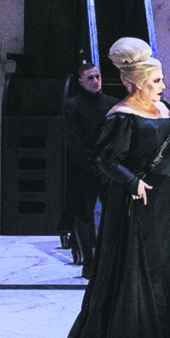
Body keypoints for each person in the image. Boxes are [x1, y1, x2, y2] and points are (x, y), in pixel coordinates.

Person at [49, 38, 170, 338]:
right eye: (156, 81)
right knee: (141, 266)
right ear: (139, 83)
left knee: (167, 265)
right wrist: (132, 181)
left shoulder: (165, 108)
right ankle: (139, 337)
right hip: (141, 201)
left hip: (169, 200)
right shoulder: (122, 115)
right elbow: (106, 158)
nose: (163, 86)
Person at [59, 63, 118, 278]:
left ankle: (107, 259)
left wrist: (107, 164)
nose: (95, 81)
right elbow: (73, 140)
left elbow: (116, 137)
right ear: (81, 81)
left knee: (111, 213)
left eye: (98, 77)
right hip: (83, 167)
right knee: (83, 212)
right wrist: (93, 164)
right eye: (90, 78)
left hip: (107, 168)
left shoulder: (111, 104)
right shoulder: (72, 105)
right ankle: (89, 262)